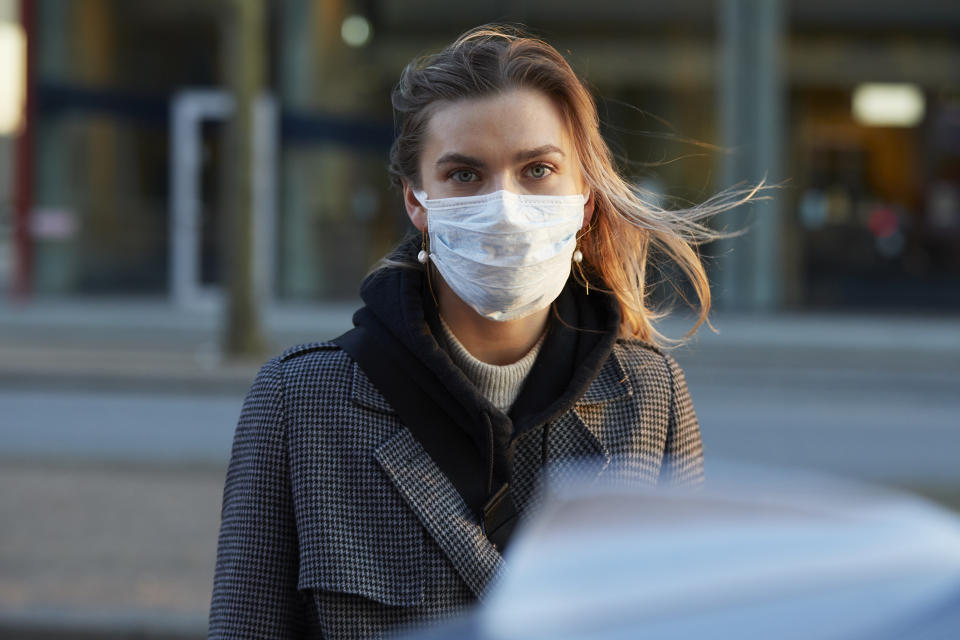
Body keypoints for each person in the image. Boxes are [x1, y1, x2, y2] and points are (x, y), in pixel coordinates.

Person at [208, 24, 760, 640]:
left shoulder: (648, 395)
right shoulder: (301, 402)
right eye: (466, 176)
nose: (505, 206)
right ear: (417, 201)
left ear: (585, 196)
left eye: (538, 169)